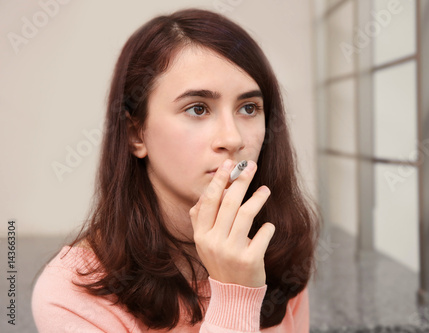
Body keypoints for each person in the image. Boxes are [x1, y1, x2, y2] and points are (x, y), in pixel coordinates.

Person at [32, 8, 319, 332]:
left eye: (249, 108)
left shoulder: (275, 247)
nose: (233, 138)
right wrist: (236, 296)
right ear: (136, 134)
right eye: (198, 109)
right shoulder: (69, 295)